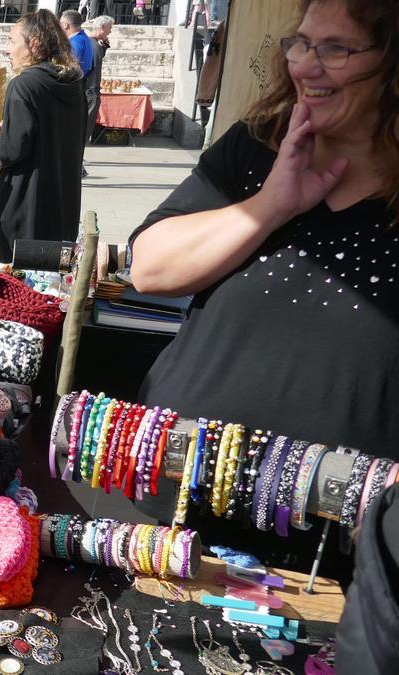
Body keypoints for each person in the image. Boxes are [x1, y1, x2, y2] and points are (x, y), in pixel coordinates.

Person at [129, 0, 399, 576]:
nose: (306, 65)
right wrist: (269, 206)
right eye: (300, 43)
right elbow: (149, 269)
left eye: (336, 49)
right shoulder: (255, 148)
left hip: (327, 547)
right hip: (174, 505)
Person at [0, 8, 85, 262]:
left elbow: (11, 151)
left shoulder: (24, 84)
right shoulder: (73, 83)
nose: (7, 50)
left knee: (18, 289)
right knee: (50, 287)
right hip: (62, 207)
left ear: (34, 44)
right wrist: (11, 123)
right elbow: (55, 128)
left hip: (25, 211)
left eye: (12, 41)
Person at [85, 14, 114, 144]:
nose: (110, 31)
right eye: (109, 28)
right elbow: (94, 67)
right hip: (91, 90)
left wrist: (104, 47)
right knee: (86, 126)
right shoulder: (94, 45)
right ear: (102, 28)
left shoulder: (92, 43)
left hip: (88, 89)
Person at [60, 9, 94, 79]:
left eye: (60, 23)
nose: (59, 26)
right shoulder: (82, 37)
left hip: (73, 81)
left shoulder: (76, 41)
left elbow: (70, 65)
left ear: (65, 25)